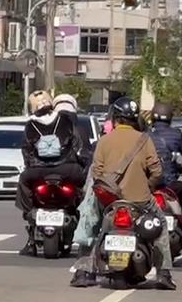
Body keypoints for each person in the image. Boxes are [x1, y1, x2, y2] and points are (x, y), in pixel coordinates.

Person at [71, 97, 175, 290]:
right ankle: (164, 273)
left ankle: (83, 272)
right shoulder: (145, 140)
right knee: (159, 226)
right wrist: (147, 186)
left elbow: (97, 172)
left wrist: (108, 192)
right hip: (140, 201)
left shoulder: (105, 140)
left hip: (109, 201)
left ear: (115, 118)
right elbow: (157, 172)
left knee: (91, 224)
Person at [16, 91, 87, 256]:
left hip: (38, 170)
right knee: (83, 183)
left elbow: (26, 150)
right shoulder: (65, 120)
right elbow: (77, 144)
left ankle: (29, 212)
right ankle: (80, 212)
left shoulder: (30, 125)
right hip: (67, 168)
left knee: (23, 180)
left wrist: (31, 166)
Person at [146, 102, 182, 224]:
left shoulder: (146, 135)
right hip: (169, 185)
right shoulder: (176, 134)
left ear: (152, 117)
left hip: (150, 184)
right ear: (170, 118)